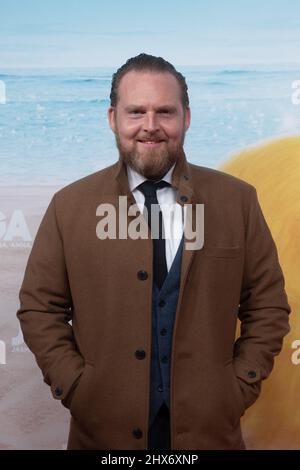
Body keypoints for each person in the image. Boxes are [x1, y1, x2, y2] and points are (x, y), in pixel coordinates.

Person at [16, 53, 291, 450]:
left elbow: (267, 305)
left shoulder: (238, 201)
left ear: (186, 117)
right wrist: (78, 387)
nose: (150, 126)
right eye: (136, 112)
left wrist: (238, 387)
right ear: (113, 118)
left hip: (212, 434)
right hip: (102, 437)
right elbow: (39, 307)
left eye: (165, 111)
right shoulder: (69, 205)